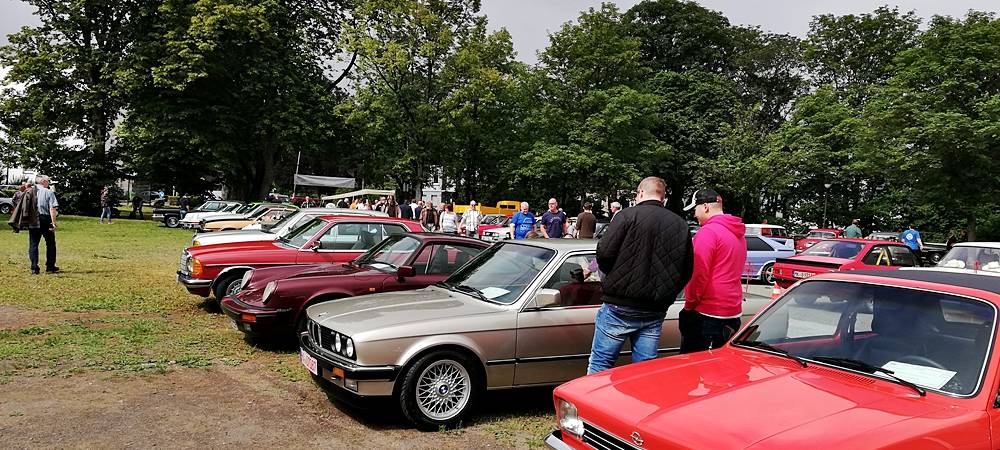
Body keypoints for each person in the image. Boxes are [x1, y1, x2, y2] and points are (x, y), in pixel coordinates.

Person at [587, 177, 693, 374]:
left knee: (601, 365)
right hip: (654, 309)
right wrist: (667, 295)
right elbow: (686, 270)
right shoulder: (680, 224)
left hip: (619, 305)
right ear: (663, 197)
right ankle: (642, 404)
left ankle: (590, 404)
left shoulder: (626, 216)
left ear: (641, 193)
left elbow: (604, 253)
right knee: (644, 371)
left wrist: (612, 277)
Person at [680, 188, 747, 353]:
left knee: (692, 370)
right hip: (732, 311)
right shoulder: (738, 233)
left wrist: (689, 305)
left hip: (707, 313)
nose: (694, 215)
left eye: (695, 209)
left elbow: (697, 274)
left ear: (705, 207)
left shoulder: (707, 232)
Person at [29, 175, 59, 274]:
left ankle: (34, 268)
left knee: (33, 244)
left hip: (33, 219)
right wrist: (53, 223)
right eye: (48, 181)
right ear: (44, 181)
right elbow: (52, 208)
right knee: (50, 243)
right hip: (45, 219)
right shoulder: (49, 192)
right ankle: (50, 267)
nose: (49, 183)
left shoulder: (29, 192)